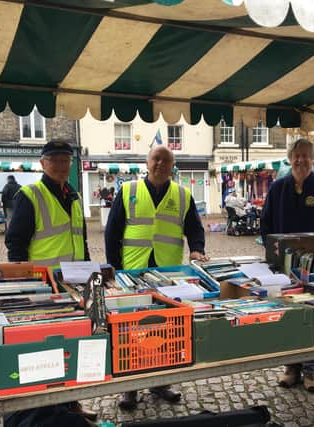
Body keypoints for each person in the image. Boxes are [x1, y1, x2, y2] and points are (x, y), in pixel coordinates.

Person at [105, 145, 209, 410]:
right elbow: (112, 231)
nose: (160, 164)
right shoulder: (127, 191)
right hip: (132, 272)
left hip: (167, 272)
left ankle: (162, 382)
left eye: (166, 160)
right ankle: (129, 387)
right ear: (147, 162)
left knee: (164, 328)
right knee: (129, 330)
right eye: (156, 159)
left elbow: (194, 228)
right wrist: (113, 267)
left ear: (173, 165)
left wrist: (197, 249)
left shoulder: (183, 195)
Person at [5, 139, 96, 422]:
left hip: (74, 284)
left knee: (73, 344)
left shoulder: (74, 196)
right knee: (47, 347)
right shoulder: (30, 195)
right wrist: (22, 283)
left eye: (65, 160)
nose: (60, 165)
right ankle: (47, 410)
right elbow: (15, 243)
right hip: (43, 288)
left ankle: (71, 404)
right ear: (43, 163)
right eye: (54, 160)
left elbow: (80, 239)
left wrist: (91, 271)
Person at [260, 138, 314, 393]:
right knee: (288, 316)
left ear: (313, 159)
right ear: (289, 158)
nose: (300, 160)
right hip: (284, 268)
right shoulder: (278, 188)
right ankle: (291, 367)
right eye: (296, 155)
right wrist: (273, 255)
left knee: (312, 315)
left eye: (306, 156)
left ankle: (311, 369)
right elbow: (266, 226)